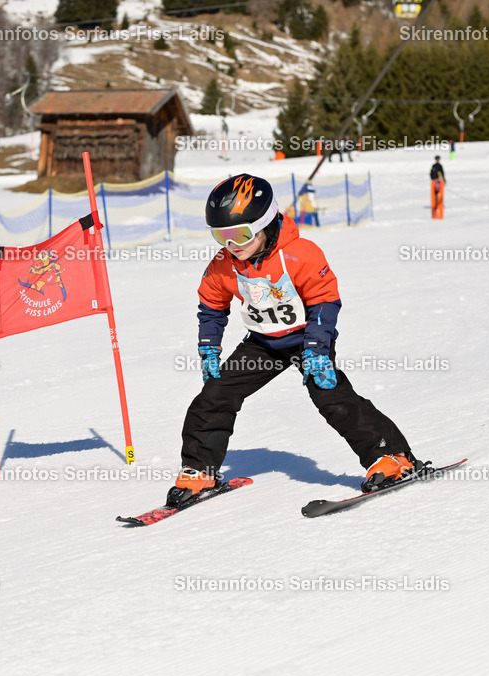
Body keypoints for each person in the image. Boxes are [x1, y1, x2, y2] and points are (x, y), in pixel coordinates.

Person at [166, 174, 415, 507]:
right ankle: (199, 472)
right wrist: (209, 348)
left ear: (265, 222)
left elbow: (325, 300)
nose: (232, 244)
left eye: (240, 234)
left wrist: (316, 349)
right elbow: (211, 306)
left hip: (307, 339)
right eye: (220, 236)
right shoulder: (224, 264)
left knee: (331, 397)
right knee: (214, 396)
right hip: (263, 343)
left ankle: (392, 457)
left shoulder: (300, 254)